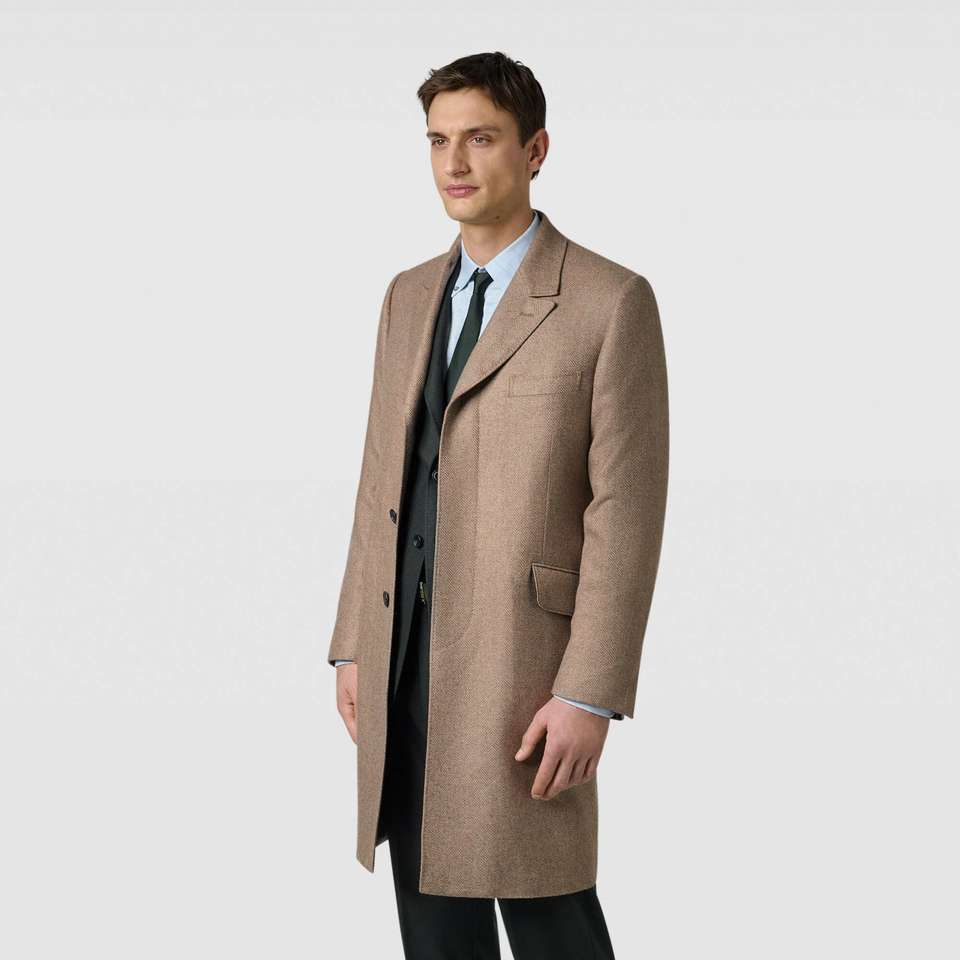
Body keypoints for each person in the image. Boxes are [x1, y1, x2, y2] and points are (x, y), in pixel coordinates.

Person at [327, 51, 669, 959]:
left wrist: (590, 691)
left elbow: (626, 513)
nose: (454, 162)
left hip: (525, 667)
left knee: (550, 911)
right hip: (403, 654)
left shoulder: (609, 301)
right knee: (433, 922)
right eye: (438, 140)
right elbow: (380, 477)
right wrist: (355, 640)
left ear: (536, 149)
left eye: (480, 138)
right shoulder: (407, 296)